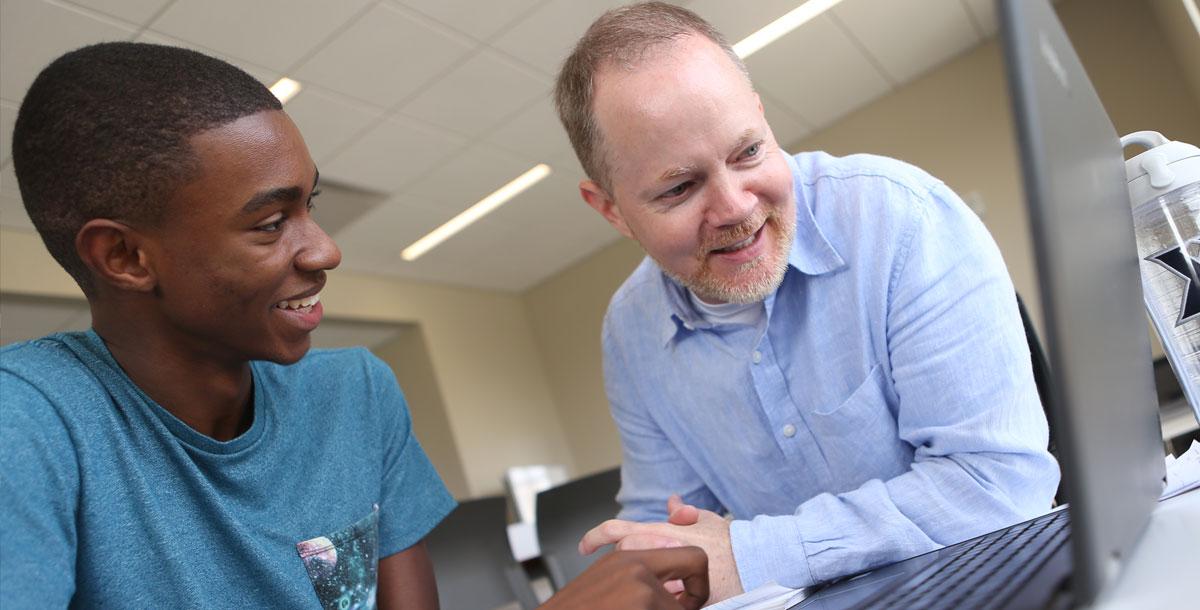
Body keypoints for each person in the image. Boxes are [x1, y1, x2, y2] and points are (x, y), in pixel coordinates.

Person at [0, 41, 709, 610]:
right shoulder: (28, 426)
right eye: (272, 223)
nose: (325, 250)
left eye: (311, 206)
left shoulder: (357, 395)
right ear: (124, 256)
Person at [553, 2, 1061, 602]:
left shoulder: (901, 219)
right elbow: (671, 544)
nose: (738, 208)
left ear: (763, 120)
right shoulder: (630, 333)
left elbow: (996, 485)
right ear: (611, 209)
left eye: (747, 152)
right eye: (680, 187)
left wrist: (750, 553)